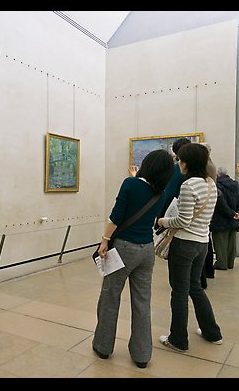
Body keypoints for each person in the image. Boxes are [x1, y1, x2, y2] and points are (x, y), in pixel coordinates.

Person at [93, 149, 174, 369]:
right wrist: (134, 176)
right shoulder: (162, 193)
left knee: (110, 297)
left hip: (123, 249)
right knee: (142, 303)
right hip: (146, 250)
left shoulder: (130, 184)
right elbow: (147, 208)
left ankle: (103, 346)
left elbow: (116, 216)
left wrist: (104, 239)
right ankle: (142, 355)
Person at [156, 143, 222, 352]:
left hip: (184, 244)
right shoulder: (210, 183)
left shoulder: (189, 185)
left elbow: (182, 220)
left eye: (180, 159)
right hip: (202, 243)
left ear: (187, 162)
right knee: (195, 288)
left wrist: (162, 222)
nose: (178, 162)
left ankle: (178, 339)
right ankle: (212, 332)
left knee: (179, 291)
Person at [210, 167, 239, 270]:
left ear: (217, 175)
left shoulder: (217, 185)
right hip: (234, 220)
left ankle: (222, 264)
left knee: (220, 243)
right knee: (231, 243)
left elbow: (220, 203)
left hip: (220, 220)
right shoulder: (236, 185)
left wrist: (231, 214)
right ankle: (230, 263)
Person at [199, 142, 217, 289]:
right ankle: (207, 271)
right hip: (207, 207)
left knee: (204, 242)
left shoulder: (206, 165)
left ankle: (203, 274)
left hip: (202, 207)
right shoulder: (210, 164)